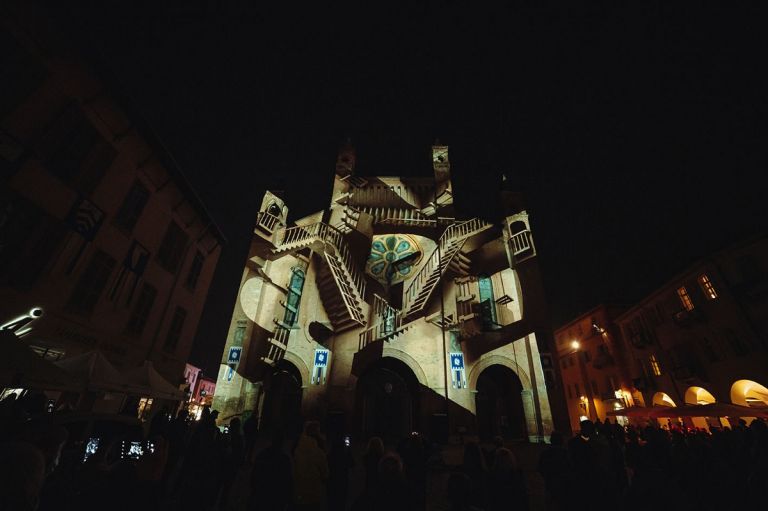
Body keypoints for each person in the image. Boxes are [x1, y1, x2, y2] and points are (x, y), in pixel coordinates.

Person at [251, 429, 293, 511]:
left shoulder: (262, 455)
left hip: (262, 495)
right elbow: (288, 481)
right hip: (276, 497)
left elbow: (254, 476)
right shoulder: (284, 459)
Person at [293, 420, 329, 511]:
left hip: (298, 494)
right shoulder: (318, 452)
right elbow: (325, 474)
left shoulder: (297, 448)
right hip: (314, 494)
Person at [537, 431, 572, 511]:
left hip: (551, 484)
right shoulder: (565, 453)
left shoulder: (545, 454)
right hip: (565, 484)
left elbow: (540, 468)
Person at [327, 436, 354, 511]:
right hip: (342, 481)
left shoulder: (330, 455)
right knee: (341, 502)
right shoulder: (345, 454)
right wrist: (348, 450)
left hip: (332, 481)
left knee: (332, 502)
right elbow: (352, 464)